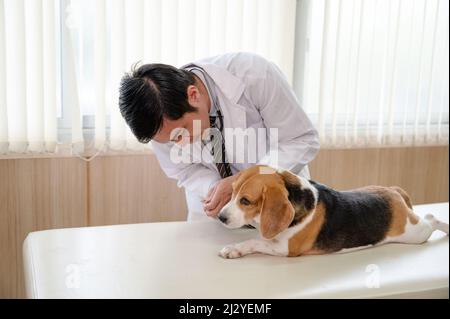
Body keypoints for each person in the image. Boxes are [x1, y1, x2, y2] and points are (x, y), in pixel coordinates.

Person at [119, 52, 319, 221]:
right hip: (214, 220)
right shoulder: (158, 120)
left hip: (279, 207)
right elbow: (183, 170)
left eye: (182, 132)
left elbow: (299, 139)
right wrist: (213, 187)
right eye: (173, 140)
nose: (182, 144)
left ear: (194, 95)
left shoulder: (254, 75)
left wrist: (239, 184)